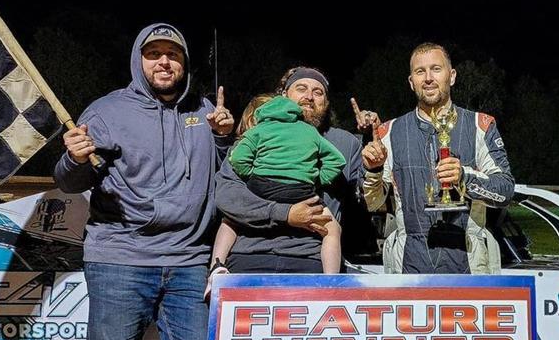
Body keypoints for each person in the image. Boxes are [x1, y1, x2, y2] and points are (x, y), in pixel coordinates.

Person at [54, 23, 235, 340]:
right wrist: (73, 159)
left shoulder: (204, 112)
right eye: (153, 54)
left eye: (172, 55)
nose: (163, 63)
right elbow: (70, 179)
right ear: (139, 60)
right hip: (121, 257)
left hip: (188, 259)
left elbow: (223, 175)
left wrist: (224, 139)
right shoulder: (108, 111)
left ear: (184, 62)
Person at [360, 42, 514, 273]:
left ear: (451, 76)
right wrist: (373, 170)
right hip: (408, 263)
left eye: (436, 69)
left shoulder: (480, 125)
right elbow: (373, 203)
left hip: (468, 262)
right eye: (420, 71)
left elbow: (505, 191)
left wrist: (464, 178)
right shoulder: (388, 132)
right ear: (411, 82)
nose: (428, 78)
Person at [213, 67, 365, 274]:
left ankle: (331, 285)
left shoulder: (344, 142)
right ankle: (216, 271)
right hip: (249, 255)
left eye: (318, 92)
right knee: (228, 221)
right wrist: (286, 213)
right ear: (284, 95)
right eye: (301, 88)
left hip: (309, 258)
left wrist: (373, 165)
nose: (309, 96)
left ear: (327, 102)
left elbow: (363, 202)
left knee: (332, 230)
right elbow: (227, 196)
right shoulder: (257, 133)